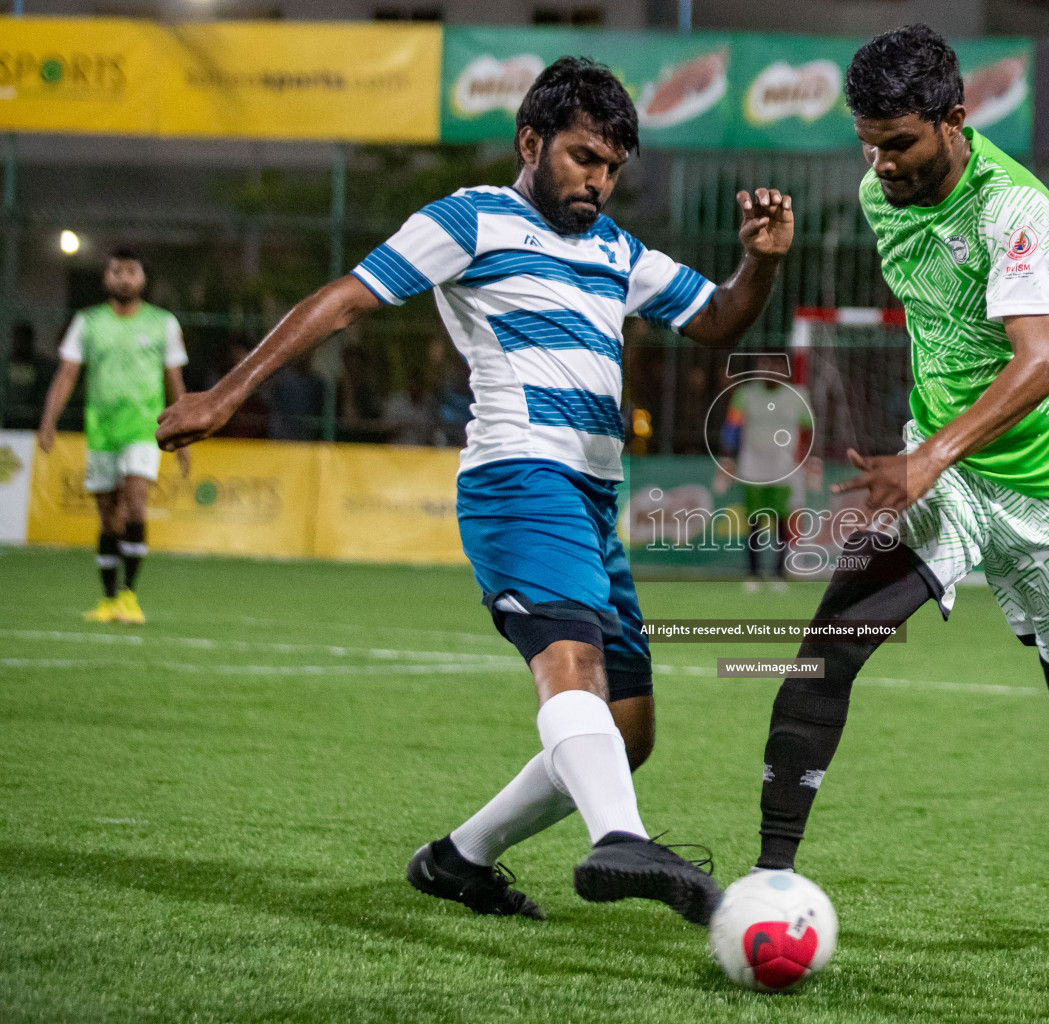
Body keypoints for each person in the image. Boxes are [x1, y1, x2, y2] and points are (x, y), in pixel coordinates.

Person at [157, 58, 793, 925]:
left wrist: (758, 264)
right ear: (530, 142)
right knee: (570, 668)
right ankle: (621, 840)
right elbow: (346, 300)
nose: (597, 181)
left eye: (610, 167)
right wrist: (227, 394)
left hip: (593, 502)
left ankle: (458, 859)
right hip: (518, 479)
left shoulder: (618, 249)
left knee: (628, 732)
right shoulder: (471, 219)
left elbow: (717, 319)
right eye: (580, 157)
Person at [751, 25, 1049, 920]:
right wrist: (932, 458)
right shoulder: (878, 193)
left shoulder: (1013, 209)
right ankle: (767, 882)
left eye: (899, 143)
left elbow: (1041, 363)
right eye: (868, 142)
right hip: (948, 475)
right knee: (828, 653)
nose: (881, 164)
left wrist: (926, 456)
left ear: (955, 119)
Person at [37, 246, 190, 625]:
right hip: (102, 430)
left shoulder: (163, 323)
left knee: (136, 503)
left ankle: (130, 596)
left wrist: (184, 432)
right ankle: (107, 599)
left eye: (131, 271)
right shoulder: (87, 322)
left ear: (143, 277)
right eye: (116, 271)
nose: (124, 277)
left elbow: (175, 382)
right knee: (107, 515)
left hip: (143, 429)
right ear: (106, 277)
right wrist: (48, 420)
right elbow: (68, 374)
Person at [715, 353, 813, 592]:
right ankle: (753, 574)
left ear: (784, 370)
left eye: (775, 366)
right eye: (764, 366)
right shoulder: (745, 394)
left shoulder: (798, 396)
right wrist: (728, 458)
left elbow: (808, 428)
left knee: (781, 522)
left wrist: (805, 459)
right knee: (755, 522)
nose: (768, 371)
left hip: (783, 468)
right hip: (752, 466)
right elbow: (732, 427)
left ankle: (779, 573)